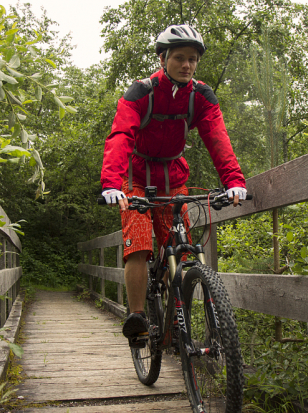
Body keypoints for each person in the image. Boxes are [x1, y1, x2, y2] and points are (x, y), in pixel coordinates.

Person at [100, 24, 247, 348]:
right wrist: (111, 183)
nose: (187, 65)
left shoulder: (200, 96)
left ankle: (172, 320)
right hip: (136, 181)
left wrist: (234, 181)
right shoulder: (141, 92)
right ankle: (138, 318)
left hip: (174, 180)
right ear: (163, 57)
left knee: (180, 251)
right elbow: (121, 135)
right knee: (138, 243)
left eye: (193, 59)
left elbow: (217, 139)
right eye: (180, 58)